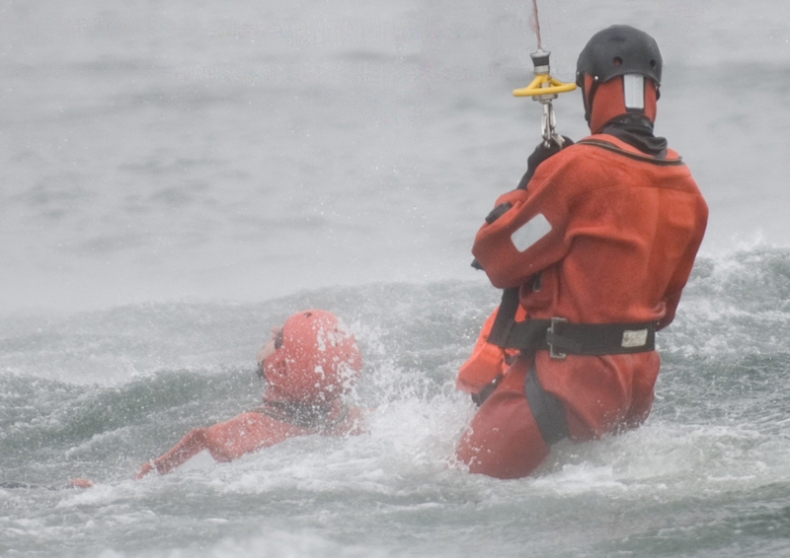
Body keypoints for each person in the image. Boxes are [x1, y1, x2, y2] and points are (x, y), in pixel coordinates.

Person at [454, 25, 708, 479]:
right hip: (632, 391)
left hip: (565, 390)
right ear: (654, 94)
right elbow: (663, 313)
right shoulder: (688, 189)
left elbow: (497, 257)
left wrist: (527, 184)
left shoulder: (577, 169)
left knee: (454, 484)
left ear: (589, 87)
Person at [70, 309, 364, 487]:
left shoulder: (223, 438)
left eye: (279, 339)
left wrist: (94, 490)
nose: (271, 332)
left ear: (280, 367)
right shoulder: (363, 422)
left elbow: (139, 491)